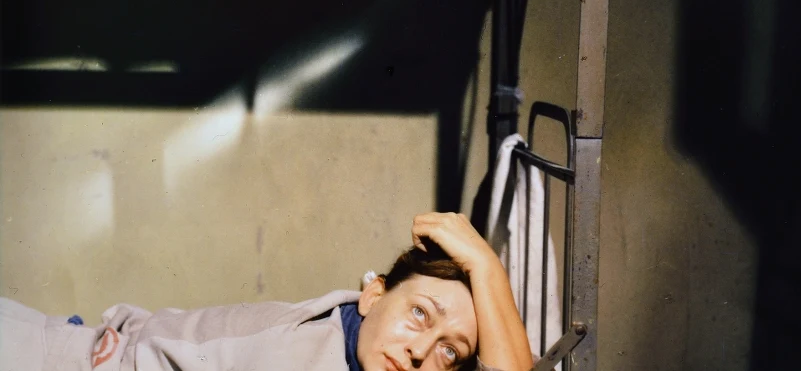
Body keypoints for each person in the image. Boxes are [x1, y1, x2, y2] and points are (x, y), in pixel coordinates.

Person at [0, 213, 535, 370]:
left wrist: (487, 269)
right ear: (373, 295)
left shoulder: (353, 330)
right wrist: (487, 269)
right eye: (420, 314)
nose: (420, 351)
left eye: (449, 352)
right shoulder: (308, 354)